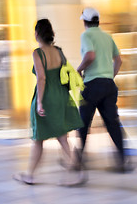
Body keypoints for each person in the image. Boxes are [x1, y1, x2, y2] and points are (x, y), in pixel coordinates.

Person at [13, 19, 86, 186]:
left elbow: (42, 78)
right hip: (61, 96)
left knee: (38, 138)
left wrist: (39, 102)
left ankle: (30, 175)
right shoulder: (59, 52)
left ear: (37, 33)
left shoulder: (37, 53)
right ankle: (76, 171)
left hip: (46, 98)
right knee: (62, 137)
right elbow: (65, 73)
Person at [76, 8, 128, 172]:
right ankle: (122, 161)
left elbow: (90, 56)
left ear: (85, 22)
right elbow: (118, 61)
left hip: (91, 84)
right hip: (108, 85)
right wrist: (108, 76)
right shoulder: (107, 36)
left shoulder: (86, 35)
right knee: (112, 122)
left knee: (83, 123)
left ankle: (78, 161)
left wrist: (79, 70)